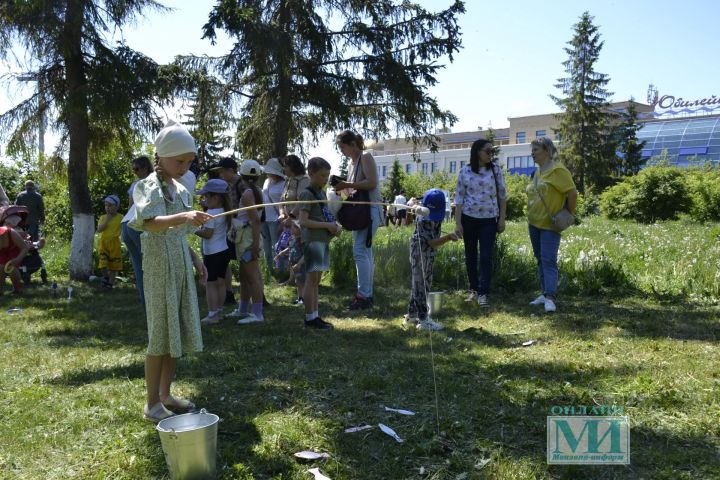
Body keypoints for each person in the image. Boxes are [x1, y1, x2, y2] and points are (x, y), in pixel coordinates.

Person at [130, 119, 211, 423]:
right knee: (160, 333)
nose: (185, 166)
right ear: (161, 157)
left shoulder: (179, 189)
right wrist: (184, 216)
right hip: (159, 266)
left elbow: (177, 233)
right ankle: (151, 403)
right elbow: (149, 223)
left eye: (189, 161)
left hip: (177, 261)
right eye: (180, 161)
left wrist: (196, 259)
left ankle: (165, 394)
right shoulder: (148, 186)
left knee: (175, 327)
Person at [526, 137, 577, 313]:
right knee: (540, 259)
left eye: (536, 150)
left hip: (550, 225)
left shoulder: (558, 170)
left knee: (549, 260)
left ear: (547, 151)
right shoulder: (538, 172)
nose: (532, 153)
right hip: (534, 223)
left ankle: (550, 297)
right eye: (532, 150)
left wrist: (567, 213)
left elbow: (572, 193)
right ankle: (544, 292)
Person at [334, 130, 384, 310]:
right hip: (358, 212)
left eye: (343, 147)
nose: (341, 151)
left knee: (360, 251)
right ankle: (366, 294)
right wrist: (340, 188)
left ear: (353, 144)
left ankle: (363, 295)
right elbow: (352, 191)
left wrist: (347, 184)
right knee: (365, 252)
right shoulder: (351, 164)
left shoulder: (366, 157)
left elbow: (371, 183)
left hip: (369, 210)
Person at [454, 138, 507, 307]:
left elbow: (502, 196)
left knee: (485, 256)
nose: (491, 154)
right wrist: (458, 223)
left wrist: (502, 219)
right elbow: (459, 198)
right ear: (477, 152)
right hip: (468, 219)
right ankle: (474, 289)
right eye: (488, 151)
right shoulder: (465, 171)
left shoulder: (496, 170)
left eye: (492, 151)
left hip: (489, 220)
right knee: (470, 256)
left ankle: (484, 292)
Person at [404, 189, 459, 330]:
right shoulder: (424, 218)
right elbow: (432, 242)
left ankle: (411, 315)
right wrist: (448, 238)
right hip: (420, 251)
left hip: (428, 253)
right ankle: (423, 319)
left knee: (421, 283)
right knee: (420, 285)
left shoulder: (432, 215)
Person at [298, 157, 340, 329]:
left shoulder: (321, 193)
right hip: (313, 241)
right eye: (322, 176)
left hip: (322, 240)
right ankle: (309, 318)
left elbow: (324, 215)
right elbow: (303, 221)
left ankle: (315, 315)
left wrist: (334, 227)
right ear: (311, 174)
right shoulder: (307, 193)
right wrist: (326, 225)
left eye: (327, 176)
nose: (325, 179)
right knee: (311, 279)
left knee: (316, 281)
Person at [226, 160, 266, 324]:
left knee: (252, 277)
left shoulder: (249, 193)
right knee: (244, 276)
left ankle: (257, 314)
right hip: (246, 237)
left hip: (249, 238)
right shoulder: (256, 191)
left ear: (241, 175)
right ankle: (243, 309)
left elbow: (256, 220)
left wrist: (255, 244)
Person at [194, 179, 232, 325]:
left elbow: (208, 234)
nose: (204, 200)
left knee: (210, 284)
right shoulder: (224, 210)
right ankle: (219, 312)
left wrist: (193, 229)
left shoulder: (211, 213)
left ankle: (212, 314)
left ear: (215, 198)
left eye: (206, 197)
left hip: (212, 253)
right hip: (223, 250)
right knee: (221, 283)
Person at [121, 155, 153, 303]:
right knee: (148, 265)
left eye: (137, 169)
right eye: (133, 169)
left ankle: (145, 302)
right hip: (135, 224)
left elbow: (130, 206)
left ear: (146, 167)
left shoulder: (138, 184)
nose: (134, 172)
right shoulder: (152, 182)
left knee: (139, 266)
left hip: (127, 224)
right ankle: (150, 303)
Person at [213, 157, 241, 305]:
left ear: (231, 170)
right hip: (231, 229)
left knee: (247, 263)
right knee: (226, 260)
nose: (220, 175)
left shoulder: (242, 185)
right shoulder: (228, 186)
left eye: (222, 172)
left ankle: (258, 298)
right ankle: (229, 293)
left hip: (242, 230)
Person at [261, 157, 286, 272]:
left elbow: (284, 203)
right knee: (266, 245)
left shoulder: (284, 183)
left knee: (277, 245)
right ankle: (269, 269)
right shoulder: (266, 182)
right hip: (264, 218)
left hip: (276, 219)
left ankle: (280, 270)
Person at [97, 195, 123, 289]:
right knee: (102, 264)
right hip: (104, 243)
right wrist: (107, 221)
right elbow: (99, 229)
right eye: (106, 205)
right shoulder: (103, 217)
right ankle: (106, 277)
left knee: (114, 265)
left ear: (116, 207)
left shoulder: (120, 217)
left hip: (115, 243)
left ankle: (110, 283)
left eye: (110, 206)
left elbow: (125, 227)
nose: (107, 208)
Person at [0, 212, 30, 295]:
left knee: (11, 267)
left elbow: (25, 248)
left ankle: (18, 288)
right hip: (2, 252)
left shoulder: (12, 233)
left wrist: (18, 259)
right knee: (1, 266)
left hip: (14, 249)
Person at [278, 154, 310, 222]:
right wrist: (282, 214)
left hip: (298, 222)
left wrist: (290, 218)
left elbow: (301, 202)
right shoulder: (287, 180)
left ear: (292, 167)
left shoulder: (304, 179)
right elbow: (281, 201)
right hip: (287, 221)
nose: (284, 169)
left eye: (286, 166)